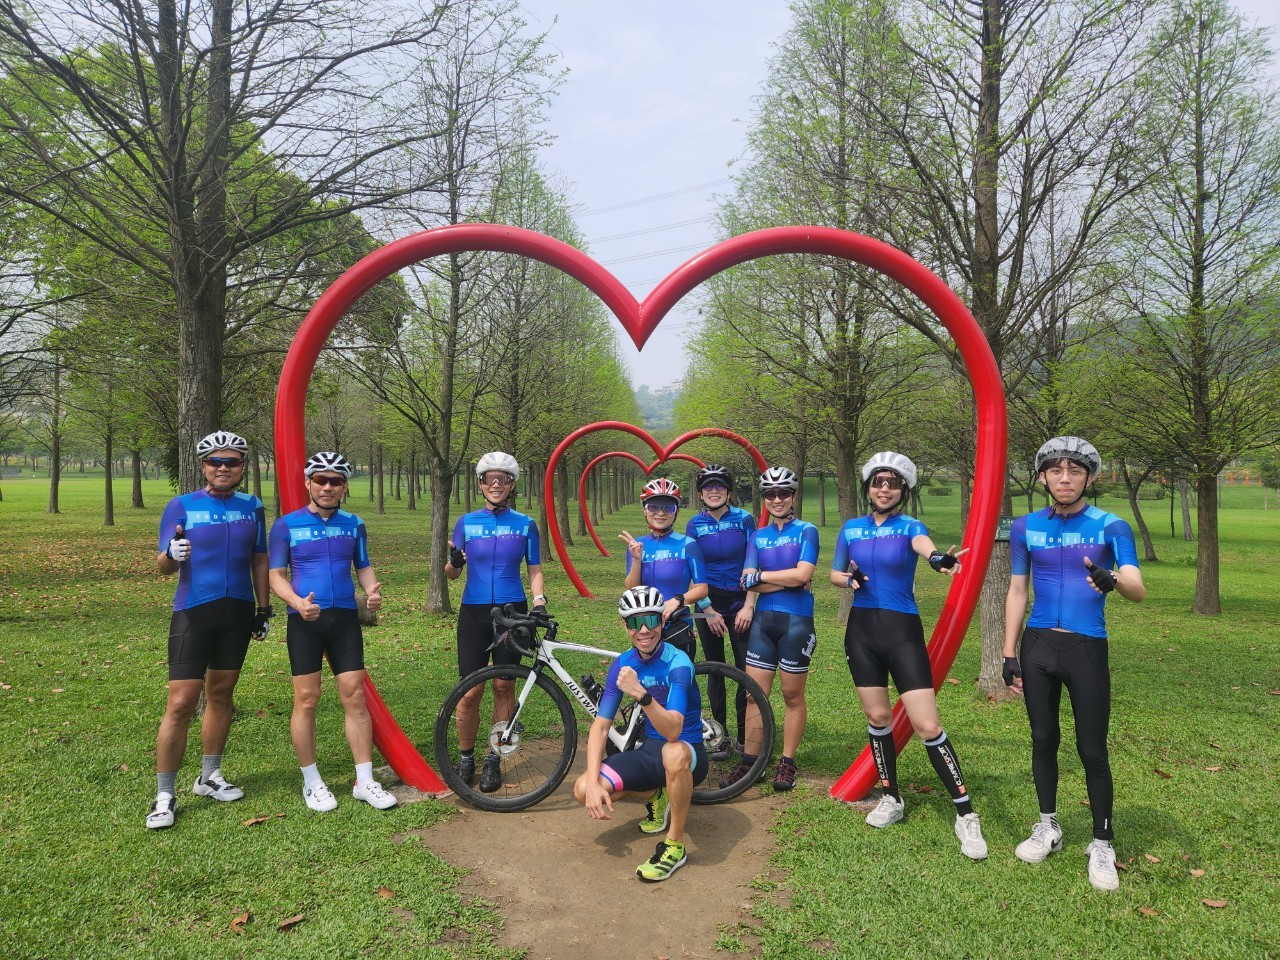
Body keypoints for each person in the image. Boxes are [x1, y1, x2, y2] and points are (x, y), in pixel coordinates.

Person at [1004, 436, 1145, 891]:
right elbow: (1017, 591)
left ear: (1089, 477)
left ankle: (1102, 841)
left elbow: (1138, 588)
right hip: (1038, 644)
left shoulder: (1112, 526)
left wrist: (1113, 580)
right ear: (1043, 476)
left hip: (1086, 647)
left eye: (1075, 471)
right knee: (1043, 739)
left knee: (1092, 749)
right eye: (1056, 471)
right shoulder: (1025, 527)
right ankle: (1048, 825)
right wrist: (1009, 653)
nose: (1065, 479)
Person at [829, 452, 986, 859]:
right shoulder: (851, 528)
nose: (884, 488)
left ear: (903, 491)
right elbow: (833, 573)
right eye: (878, 481)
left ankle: (966, 813)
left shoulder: (910, 526)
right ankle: (891, 798)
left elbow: (926, 548)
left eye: (893, 483)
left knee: (927, 724)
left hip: (901, 632)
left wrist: (938, 559)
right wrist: (848, 579)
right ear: (868, 487)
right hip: (861, 632)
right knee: (878, 718)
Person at [147, 431, 272, 830]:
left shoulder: (253, 507)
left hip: (237, 611)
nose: (223, 468)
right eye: (215, 461)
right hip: (193, 613)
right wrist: (170, 554)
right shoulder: (181, 505)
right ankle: (165, 794)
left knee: (221, 695)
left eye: (231, 462)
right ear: (203, 466)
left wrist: (264, 608)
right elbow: (162, 567)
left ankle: (209, 777)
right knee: (182, 703)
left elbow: (259, 561)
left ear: (241, 468)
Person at [268, 451, 397, 813]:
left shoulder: (354, 523)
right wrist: (296, 602)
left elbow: (364, 566)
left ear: (343, 487)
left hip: (343, 619)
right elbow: (275, 575)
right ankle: (312, 781)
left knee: (354, 695)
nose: (327, 487)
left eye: (335, 481)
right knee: (307, 699)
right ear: (308, 483)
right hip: (305, 620)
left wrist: (372, 592)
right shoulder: (286, 525)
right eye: (320, 480)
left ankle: (365, 780)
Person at [573, 586, 708, 882]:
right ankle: (661, 794)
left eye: (650, 619)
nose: (644, 629)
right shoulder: (622, 664)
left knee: (673, 752)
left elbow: (673, 730)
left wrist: (642, 695)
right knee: (583, 788)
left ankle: (675, 845)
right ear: (625, 626)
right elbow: (601, 726)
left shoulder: (678, 663)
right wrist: (594, 781)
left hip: (688, 753)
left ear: (661, 621)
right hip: (650, 754)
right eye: (635, 622)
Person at [444, 451, 545, 793]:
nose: (497, 484)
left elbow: (534, 569)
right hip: (473, 612)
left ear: (512, 484)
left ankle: (493, 759)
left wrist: (540, 601)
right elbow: (452, 573)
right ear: (481, 484)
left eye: (503, 479)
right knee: (470, 690)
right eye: (490, 478)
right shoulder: (465, 523)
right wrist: (454, 561)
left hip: (512, 611)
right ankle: (466, 757)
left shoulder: (525, 523)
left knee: (504, 685)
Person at [722, 466, 818, 792]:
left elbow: (802, 575)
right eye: (770, 494)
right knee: (753, 696)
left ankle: (787, 762)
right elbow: (746, 579)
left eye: (784, 493)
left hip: (797, 623)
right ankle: (751, 763)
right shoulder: (757, 536)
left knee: (792, 696)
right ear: (764, 498)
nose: (777, 499)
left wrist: (763, 577)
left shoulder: (807, 531)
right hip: (763, 624)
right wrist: (786, 579)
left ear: (793, 496)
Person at [684, 464, 757, 754]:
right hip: (708, 603)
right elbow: (691, 568)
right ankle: (719, 737)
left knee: (744, 671)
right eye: (708, 487)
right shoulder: (694, 524)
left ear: (728, 491)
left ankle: (742, 736)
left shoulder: (744, 519)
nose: (714, 491)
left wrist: (749, 606)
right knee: (715, 669)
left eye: (719, 487)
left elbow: (755, 563)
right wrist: (707, 609)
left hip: (740, 603)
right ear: (701, 493)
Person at [618, 477, 709, 661]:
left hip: (677, 627)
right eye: (653, 507)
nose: (660, 513)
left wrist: (678, 600)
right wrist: (637, 560)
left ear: (676, 512)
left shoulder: (688, 545)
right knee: (647, 686)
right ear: (645, 510)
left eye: (668, 507)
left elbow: (702, 589)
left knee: (680, 684)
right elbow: (632, 588)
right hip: (644, 629)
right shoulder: (638, 545)